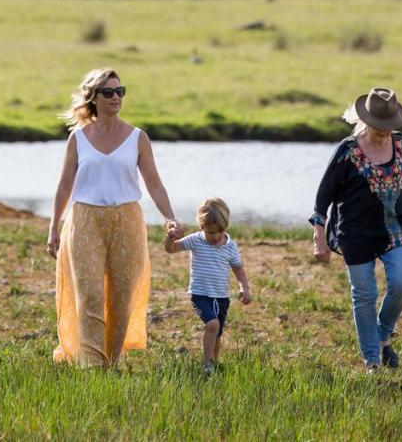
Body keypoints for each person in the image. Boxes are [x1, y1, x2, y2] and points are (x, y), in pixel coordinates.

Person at [47, 68, 181, 368]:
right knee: (90, 295)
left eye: (120, 91)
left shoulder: (137, 138)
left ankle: (113, 361)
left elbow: (154, 184)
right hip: (84, 220)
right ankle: (94, 366)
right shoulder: (78, 138)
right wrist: (53, 227)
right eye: (108, 92)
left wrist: (170, 218)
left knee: (122, 296)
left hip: (128, 221)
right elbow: (64, 185)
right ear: (94, 97)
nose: (116, 97)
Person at [310, 87, 402, 371]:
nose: (383, 133)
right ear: (365, 121)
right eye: (378, 127)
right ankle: (372, 361)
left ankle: (383, 333)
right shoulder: (347, 151)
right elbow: (323, 196)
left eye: (388, 127)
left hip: (395, 228)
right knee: (364, 295)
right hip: (356, 232)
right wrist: (319, 238)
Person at [164, 197, 252, 375]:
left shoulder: (230, 246)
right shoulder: (196, 240)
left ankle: (213, 361)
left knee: (217, 332)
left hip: (221, 297)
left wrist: (244, 287)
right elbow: (171, 249)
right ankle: (206, 364)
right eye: (211, 233)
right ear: (202, 227)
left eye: (220, 232)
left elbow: (238, 268)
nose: (216, 236)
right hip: (200, 294)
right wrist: (169, 238)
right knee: (212, 324)